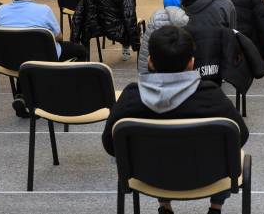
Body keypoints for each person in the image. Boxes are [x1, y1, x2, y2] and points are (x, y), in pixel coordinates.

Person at [102, 26, 248, 214]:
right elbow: (240, 137)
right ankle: (216, 207)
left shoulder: (131, 97)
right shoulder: (212, 96)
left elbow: (110, 144)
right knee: (230, 152)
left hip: (149, 177)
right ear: (192, 62)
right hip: (208, 177)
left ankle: (164, 206)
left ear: (150, 62)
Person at [0, 0, 88, 117]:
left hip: (11, 60)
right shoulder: (43, 10)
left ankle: (22, 96)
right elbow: (58, 36)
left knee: (22, 53)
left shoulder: (1, 10)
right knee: (80, 51)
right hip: (43, 58)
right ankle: (69, 92)